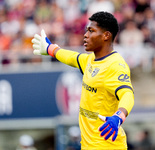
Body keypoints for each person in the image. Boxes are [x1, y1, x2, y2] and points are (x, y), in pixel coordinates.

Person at [32, 11, 134, 150]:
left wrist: (118, 116)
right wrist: (51, 49)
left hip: (107, 146)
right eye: (87, 30)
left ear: (106, 35)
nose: (85, 35)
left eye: (91, 31)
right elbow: (73, 58)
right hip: (88, 145)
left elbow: (127, 94)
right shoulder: (91, 60)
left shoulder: (115, 66)